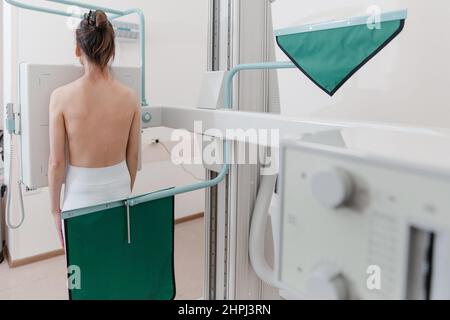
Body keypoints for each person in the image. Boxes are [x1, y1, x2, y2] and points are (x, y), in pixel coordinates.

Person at [48, 10, 141, 245]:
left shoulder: (61, 97)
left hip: (80, 197)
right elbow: (133, 154)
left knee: (82, 273)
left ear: (78, 49)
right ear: (111, 50)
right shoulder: (130, 97)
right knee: (114, 263)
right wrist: (122, 191)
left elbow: (56, 163)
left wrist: (54, 210)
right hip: (120, 190)